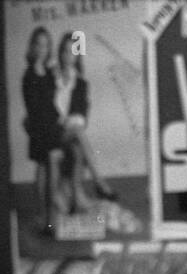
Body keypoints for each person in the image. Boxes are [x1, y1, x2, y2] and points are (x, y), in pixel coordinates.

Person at [54, 30, 116, 213]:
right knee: (78, 137)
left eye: (72, 52)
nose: (68, 56)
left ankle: (77, 197)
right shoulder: (51, 78)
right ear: (60, 53)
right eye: (65, 51)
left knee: (77, 144)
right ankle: (98, 182)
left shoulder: (81, 84)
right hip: (51, 131)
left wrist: (67, 121)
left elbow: (81, 117)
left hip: (70, 132)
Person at [21, 27, 62, 235]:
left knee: (49, 167)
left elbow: (53, 102)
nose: (43, 48)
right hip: (39, 128)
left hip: (51, 126)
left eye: (46, 44)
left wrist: (59, 120)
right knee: (43, 169)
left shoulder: (49, 73)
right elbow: (33, 109)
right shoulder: (28, 76)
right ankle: (44, 216)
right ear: (32, 46)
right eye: (39, 44)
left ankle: (50, 218)